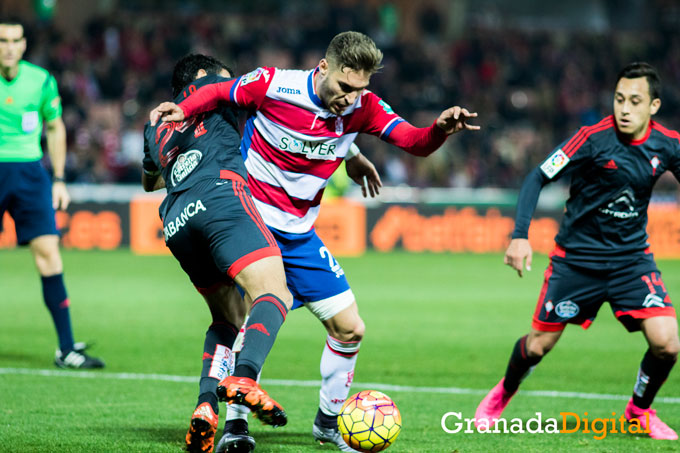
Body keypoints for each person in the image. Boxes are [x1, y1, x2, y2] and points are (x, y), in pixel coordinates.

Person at [150, 31, 479, 452]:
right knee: (249, 317)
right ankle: (235, 426)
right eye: (344, 87)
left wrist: (438, 130)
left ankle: (328, 423)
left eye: (360, 89)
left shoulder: (365, 108)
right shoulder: (274, 84)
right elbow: (218, 91)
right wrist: (183, 108)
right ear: (323, 68)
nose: (350, 98)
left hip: (299, 233)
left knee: (350, 328)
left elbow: (412, 142)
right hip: (251, 218)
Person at [475, 62, 679, 440]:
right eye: (619, 99)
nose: (624, 108)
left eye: (635, 101)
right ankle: (503, 392)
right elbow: (538, 175)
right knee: (538, 347)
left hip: (631, 262)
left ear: (653, 106)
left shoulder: (668, 144)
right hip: (577, 262)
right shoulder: (591, 138)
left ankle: (639, 410)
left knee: (667, 343)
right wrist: (520, 234)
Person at [142, 53, 296, 453]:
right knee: (274, 293)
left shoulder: (153, 124)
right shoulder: (214, 91)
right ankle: (244, 377)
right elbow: (272, 94)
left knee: (227, 319)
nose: (227, 85)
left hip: (177, 219)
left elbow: (149, 180)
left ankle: (206, 406)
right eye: (221, 79)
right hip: (221, 197)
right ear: (200, 78)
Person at [0, 18, 104, 369]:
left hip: (30, 173)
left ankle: (66, 350)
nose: (9, 47)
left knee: (49, 253)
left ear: (24, 44)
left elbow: (56, 127)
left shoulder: (41, 81)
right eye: (2, 40)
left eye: (15, 40)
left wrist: (59, 178)